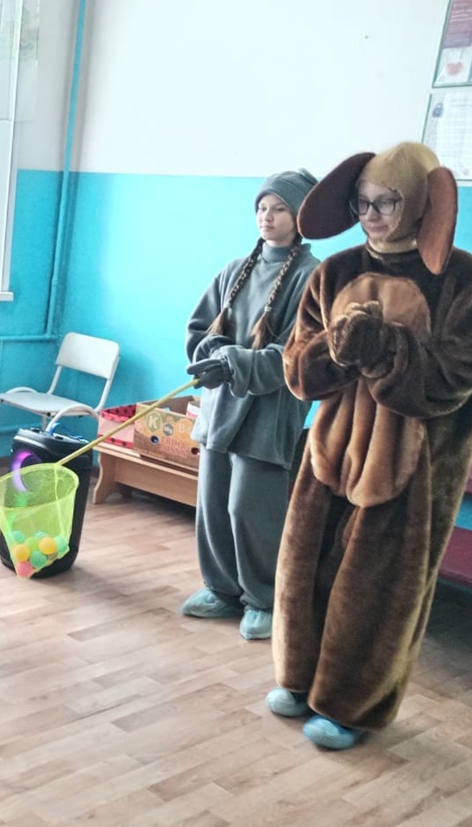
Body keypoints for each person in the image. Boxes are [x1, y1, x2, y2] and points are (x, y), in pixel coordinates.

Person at [268, 142, 472, 749]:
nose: (371, 215)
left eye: (386, 202)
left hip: (413, 466)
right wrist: (336, 347)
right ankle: (298, 678)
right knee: (304, 567)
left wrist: (384, 346)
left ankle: (351, 706)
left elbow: (455, 377)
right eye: (362, 203)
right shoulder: (334, 272)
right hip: (329, 453)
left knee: (377, 587)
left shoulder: (462, 279)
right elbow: (298, 368)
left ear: (419, 203)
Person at [182, 170, 321, 640]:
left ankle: (262, 598)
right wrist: (212, 352)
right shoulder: (234, 269)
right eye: (262, 207)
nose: (267, 216)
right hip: (221, 408)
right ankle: (221, 589)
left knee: (251, 509)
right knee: (213, 504)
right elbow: (199, 329)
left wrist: (237, 362)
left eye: (279, 208)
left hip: (269, 413)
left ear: (300, 216)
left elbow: (298, 353)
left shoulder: (313, 277)